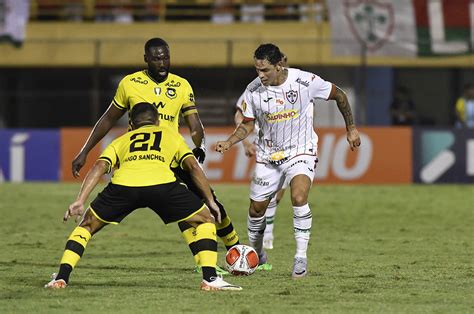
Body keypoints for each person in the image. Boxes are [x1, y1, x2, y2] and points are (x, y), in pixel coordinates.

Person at [71, 38, 240, 274]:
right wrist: (85, 150)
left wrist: (199, 143)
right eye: (157, 58)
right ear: (146, 59)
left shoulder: (181, 85)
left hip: (174, 155)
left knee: (211, 203)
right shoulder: (130, 83)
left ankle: (238, 254)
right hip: (143, 158)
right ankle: (208, 264)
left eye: (166, 57)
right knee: (189, 213)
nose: (162, 62)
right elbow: (107, 119)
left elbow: (194, 122)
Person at [45, 103, 241, 291]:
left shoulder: (120, 141)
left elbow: (99, 167)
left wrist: (80, 200)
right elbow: (192, 166)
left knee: (87, 225)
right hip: (162, 185)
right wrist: (210, 200)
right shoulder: (170, 135)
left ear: (131, 125)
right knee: (205, 219)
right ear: (157, 122)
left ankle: (61, 277)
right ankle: (210, 279)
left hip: (124, 187)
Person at [216, 43, 361, 279]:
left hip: (301, 151)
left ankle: (300, 258)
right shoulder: (253, 90)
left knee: (299, 196)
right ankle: (259, 254)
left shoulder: (305, 81)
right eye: (257, 70)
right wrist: (231, 141)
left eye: (265, 70)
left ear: (279, 65)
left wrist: (351, 128)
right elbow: (247, 124)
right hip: (268, 156)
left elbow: (339, 95)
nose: (260, 75)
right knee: (256, 209)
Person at [233, 53, 289, 252]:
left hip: (289, 146)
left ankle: (268, 231)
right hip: (264, 145)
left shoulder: (293, 85)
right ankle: (266, 235)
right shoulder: (254, 87)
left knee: (279, 194)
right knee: (265, 195)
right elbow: (239, 113)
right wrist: (245, 142)